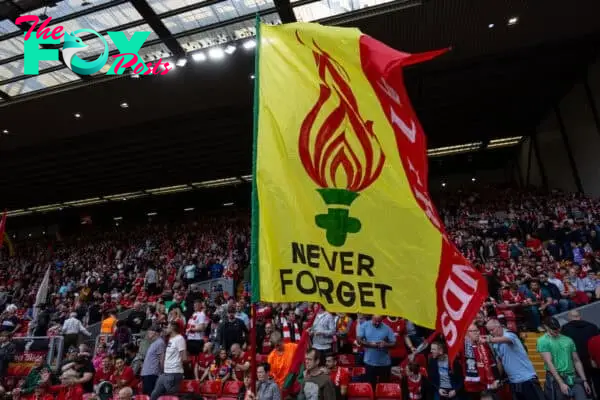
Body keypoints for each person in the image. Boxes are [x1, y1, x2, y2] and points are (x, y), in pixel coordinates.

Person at [484, 318, 543, 400]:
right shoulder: (496, 344)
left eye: (492, 330)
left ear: (499, 326)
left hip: (527, 379)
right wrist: (498, 379)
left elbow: (507, 339)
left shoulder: (509, 334)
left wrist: (489, 340)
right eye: (489, 331)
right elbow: (500, 362)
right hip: (513, 382)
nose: (491, 333)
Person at [537, 317, 592, 400]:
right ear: (546, 327)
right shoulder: (543, 341)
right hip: (556, 378)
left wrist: (584, 380)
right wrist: (561, 383)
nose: (556, 331)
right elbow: (549, 362)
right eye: (553, 329)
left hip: (573, 377)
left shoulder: (568, 340)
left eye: (558, 328)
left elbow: (576, 361)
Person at [561, 310, 599, 393]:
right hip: (593, 360)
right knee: (597, 380)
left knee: (585, 383)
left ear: (569, 318)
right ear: (580, 316)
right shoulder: (592, 326)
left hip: (577, 361)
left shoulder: (565, 329)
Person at [463, 324, 502, 400]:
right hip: (474, 388)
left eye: (477, 330)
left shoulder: (484, 344)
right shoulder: (464, 348)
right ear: (466, 333)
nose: (476, 333)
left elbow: (492, 362)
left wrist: (497, 379)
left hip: (491, 384)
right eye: (472, 331)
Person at [151, 321, 187, 400]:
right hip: (166, 373)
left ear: (173, 328)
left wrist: (176, 366)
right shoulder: (171, 339)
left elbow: (184, 357)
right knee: (155, 394)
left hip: (174, 372)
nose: (166, 329)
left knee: (171, 397)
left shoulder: (179, 338)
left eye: (168, 327)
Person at [358, 315, 396, 388]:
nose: (377, 323)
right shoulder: (365, 325)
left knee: (384, 387)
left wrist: (385, 344)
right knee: (370, 387)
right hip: (369, 362)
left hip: (384, 363)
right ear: (372, 318)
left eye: (379, 321)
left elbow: (394, 343)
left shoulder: (387, 328)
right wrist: (369, 344)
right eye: (375, 321)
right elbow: (359, 340)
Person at [141, 325, 165, 395]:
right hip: (146, 373)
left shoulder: (160, 342)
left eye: (149, 332)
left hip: (152, 374)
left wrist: (162, 372)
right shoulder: (153, 343)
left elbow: (162, 358)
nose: (148, 334)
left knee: (151, 395)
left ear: (155, 333)